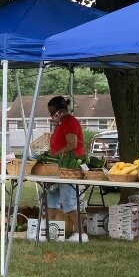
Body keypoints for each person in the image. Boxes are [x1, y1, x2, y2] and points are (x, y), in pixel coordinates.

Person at [46, 96, 88, 243]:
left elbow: (72, 144)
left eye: (52, 113)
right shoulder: (61, 122)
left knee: (68, 200)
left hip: (68, 166)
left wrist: (57, 154)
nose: (51, 116)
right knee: (51, 198)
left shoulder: (70, 122)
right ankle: (48, 230)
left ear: (60, 110)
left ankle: (81, 234)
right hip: (59, 166)